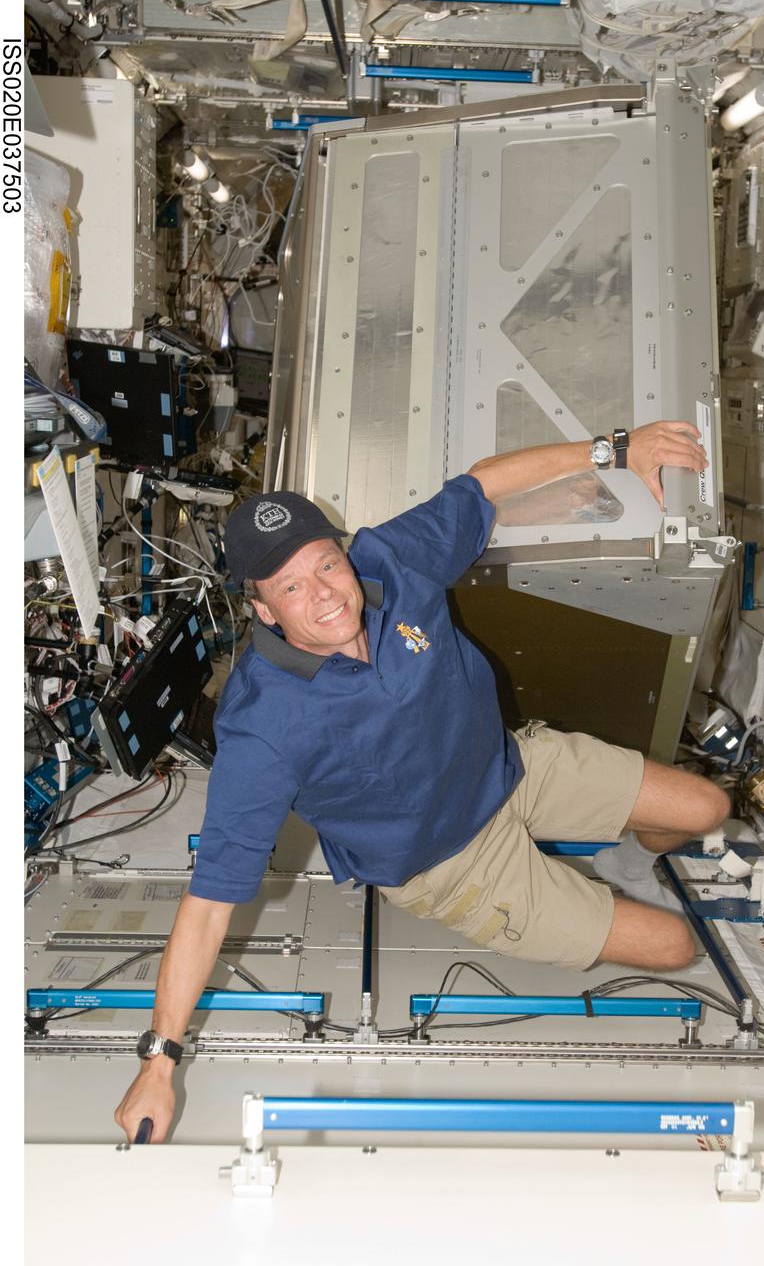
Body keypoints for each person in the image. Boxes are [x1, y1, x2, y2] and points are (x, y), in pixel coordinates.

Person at [115, 422, 729, 1142]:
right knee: (677, 947)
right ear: (261, 609)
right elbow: (210, 902)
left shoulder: (390, 561)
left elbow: (480, 486)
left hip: (508, 768)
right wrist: (160, 1059)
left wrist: (616, 452)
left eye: (325, 566)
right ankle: (579, 895)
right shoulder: (262, 726)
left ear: (345, 553)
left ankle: (623, 860)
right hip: (452, 865)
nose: (324, 596)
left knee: (708, 806)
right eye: (290, 587)